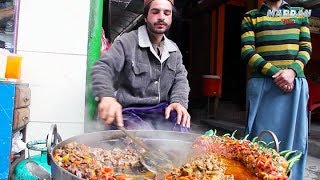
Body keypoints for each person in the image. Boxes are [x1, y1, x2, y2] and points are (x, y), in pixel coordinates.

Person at [92, 0, 191, 131]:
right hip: (129, 111)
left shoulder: (174, 50)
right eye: (155, 12)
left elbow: (180, 79)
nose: (161, 17)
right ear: (145, 17)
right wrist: (107, 96)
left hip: (160, 111)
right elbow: (103, 67)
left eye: (167, 13)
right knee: (142, 136)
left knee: (181, 124)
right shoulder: (126, 42)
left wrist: (178, 102)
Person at [241, 0, 312, 179]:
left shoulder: (300, 14)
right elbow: (247, 50)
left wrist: (291, 72)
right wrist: (277, 74)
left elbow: (306, 48)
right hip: (263, 86)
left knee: (294, 142)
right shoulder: (251, 16)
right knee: (259, 142)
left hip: (294, 85)